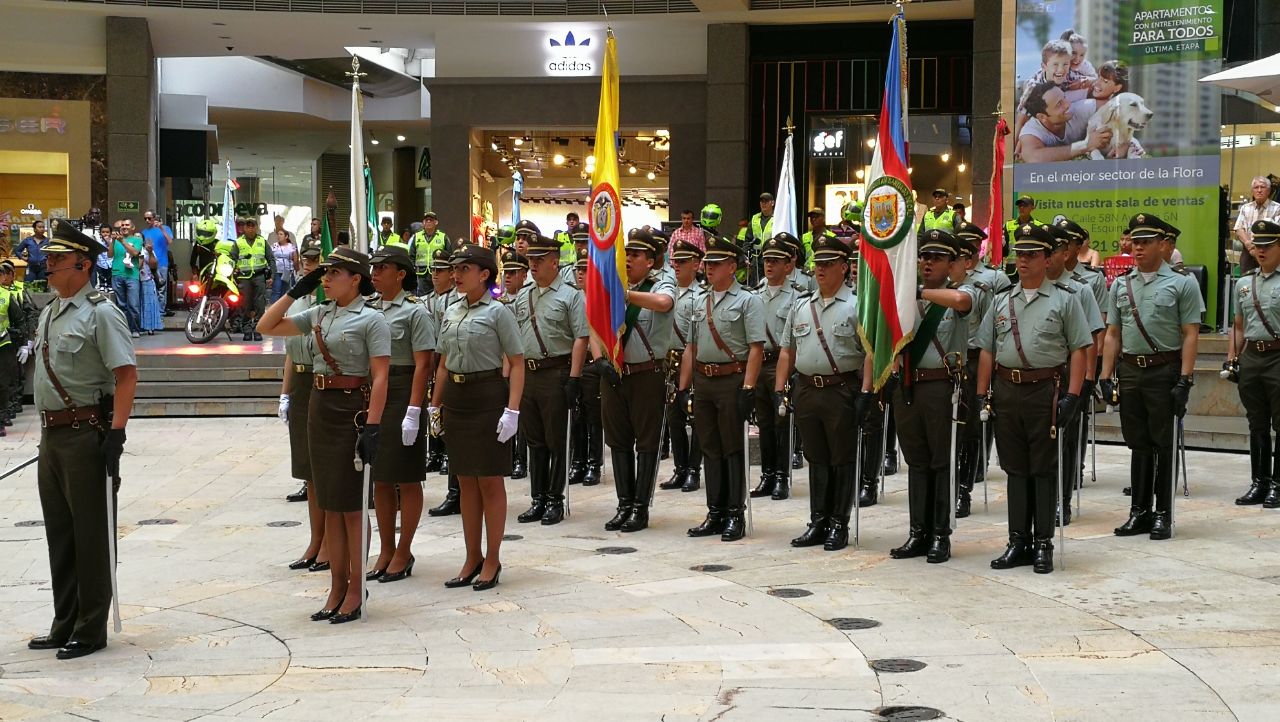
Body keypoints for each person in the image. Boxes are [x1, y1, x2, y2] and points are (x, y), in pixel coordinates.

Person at [257, 247, 390, 624]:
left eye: (334, 274)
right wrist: (297, 290)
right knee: (329, 500)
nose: (326, 279)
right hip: (320, 407)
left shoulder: (371, 320)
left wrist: (375, 425)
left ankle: (355, 586)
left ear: (356, 279)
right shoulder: (320, 313)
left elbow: (380, 376)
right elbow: (266, 326)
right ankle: (335, 585)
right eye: (324, 274)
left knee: (351, 505)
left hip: (353, 409)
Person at [27, 219, 137, 659]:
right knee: (61, 534)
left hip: (84, 432)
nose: (48, 265)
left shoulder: (102, 312)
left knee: (91, 535)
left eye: (57, 259)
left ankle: (90, 628)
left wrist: (116, 435)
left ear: (83, 264)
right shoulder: (53, 309)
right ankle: (64, 620)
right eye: (48, 258)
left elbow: (126, 376)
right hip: (51, 436)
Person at [976, 222, 1092, 574]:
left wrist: (1072, 396)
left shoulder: (1064, 300)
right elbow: (986, 350)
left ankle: (1043, 543)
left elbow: (1080, 350)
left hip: (1046, 390)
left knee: (1043, 470)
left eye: (1032, 254)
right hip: (1008, 390)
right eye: (1020, 254)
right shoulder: (1000, 301)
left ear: (1046, 258)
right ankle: (1018, 542)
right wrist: (982, 395)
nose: (1023, 260)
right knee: (1015, 469)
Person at [1100, 213, 1203, 540]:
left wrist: (1185, 379)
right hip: (1130, 371)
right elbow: (1113, 332)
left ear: (1162, 245)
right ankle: (1139, 512)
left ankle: (1163, 514)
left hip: (1164, 370)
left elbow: (1190, 334)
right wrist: (1105, 375)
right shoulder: (1121, 284)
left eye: (1146, 242)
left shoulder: (1181, 283)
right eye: (1135, 242)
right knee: (1138, 444)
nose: (1138, 248)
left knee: (1164, 443)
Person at [429, 243, 524, 591]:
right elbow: (441, 364)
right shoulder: (452, 310)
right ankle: (472, 556)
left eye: (464, 269)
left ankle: (494, 557)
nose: (456, 274)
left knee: (489, 480)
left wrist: (512, 410)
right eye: (455, 269)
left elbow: (516, 362)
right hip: (457, 397)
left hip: (487, 396)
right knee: (464, 479)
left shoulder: (499, 313)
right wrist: (433, 406)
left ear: (484, 274)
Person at [774, 236, 871, 550]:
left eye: (829, 264)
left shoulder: (857, 305)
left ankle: (838, 524)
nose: (821, 269)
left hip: (841, 389)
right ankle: (818, 521)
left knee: (841, 458)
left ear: (845, 267)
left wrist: (866, 393)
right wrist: (779, 389)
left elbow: (870, 353)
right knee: (816, 457)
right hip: (806, 389)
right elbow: (787, 350)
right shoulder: (802, 305)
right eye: (818, 263)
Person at [888, 230, 975, 563]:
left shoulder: (961, 291)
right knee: (917, 462)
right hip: (909, 385)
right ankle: (918, 532)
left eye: (937, 258)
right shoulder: (903, 296)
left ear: (952, 264)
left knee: (941, 462)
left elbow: (961, 303)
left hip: (942, 386)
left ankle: (941, 534)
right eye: (924, 257)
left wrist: (921, 292)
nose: (927, 262)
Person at [677, 235, 765, 542]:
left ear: (732, 267)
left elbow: (756, 348)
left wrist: (749, 387)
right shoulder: (699, 300)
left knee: (732, 448)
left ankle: (734, 514)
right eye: (708, 264)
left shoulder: (749, 300)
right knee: (710, 448)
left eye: (716, 264)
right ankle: (714, 512)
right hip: (703, 380)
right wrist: (683, 387)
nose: (709, 269)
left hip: (731, 380)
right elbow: (690, 346)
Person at [594, 228, 675, 532]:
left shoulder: (660, 283)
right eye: (626, 253)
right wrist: (599, 358)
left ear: (651, 261)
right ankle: (624, 503)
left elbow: (664, 303)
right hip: (614, 373)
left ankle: (641, 507)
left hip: (645, 375)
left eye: (636, 255)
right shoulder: (611, 283)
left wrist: (624, 295)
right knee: (618, 441)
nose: (628, 259)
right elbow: (593, 322)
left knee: (647, 442)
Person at [511, 221, 589, 526]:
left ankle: (555, 499)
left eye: (538, 261)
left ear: (554, 262)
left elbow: (581, 338)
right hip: (528, 375)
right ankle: (538, 498)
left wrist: (574, 378)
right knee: (535, 440)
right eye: (530, 260)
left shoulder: (570, 296)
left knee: (556, 439)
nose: (532, 265)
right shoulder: (524, 295)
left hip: (555, 371)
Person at [366, 246, 436, 584]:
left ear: (401, 274)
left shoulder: (415, 312)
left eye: (383, 268)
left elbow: (424, 363)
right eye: (374, 267)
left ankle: (404, 549)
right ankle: (385, 547)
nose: (375, 273)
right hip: (377, 391)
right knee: (380, 476)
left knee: (406, 476)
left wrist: (413, 409)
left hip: (403, 388)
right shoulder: (369, 309)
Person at [1046, 220, 1106, 526]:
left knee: (1066, 441)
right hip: (1038, 374)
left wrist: (1088, 380)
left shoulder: (1080, 289)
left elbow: (1094, 337)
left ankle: (1062, 500)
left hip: (1070, 370)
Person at [281, 246, 329, 569]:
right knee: (308, 471)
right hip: (299, 381)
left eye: (317, 263)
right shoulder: (297, 301)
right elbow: (287, 350)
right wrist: (284, 394)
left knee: (324, 470)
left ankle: (329, 544)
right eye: (307, 262)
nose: (309, 267)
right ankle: (315, 540)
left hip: (321, 380)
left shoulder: (329, 306)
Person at [1227, 220, 1280, 509]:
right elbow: (1237, 325)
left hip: (1278, 357)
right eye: (1257, 246)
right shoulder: (1245, 283)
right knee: (1256, 424)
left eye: (1267, 246)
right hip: (1252, 357)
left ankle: (1278, 484)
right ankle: (1259, 482)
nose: (1261, 251)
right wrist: (1232, 357)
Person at [749, 235, 806, 501]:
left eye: (775, 260)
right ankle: (767, 475)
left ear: (788, 265)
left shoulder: (798, 297)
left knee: (782, 423)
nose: (769, 265)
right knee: (764, 424)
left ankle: (782, 477)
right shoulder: (753, 295)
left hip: (782, 365)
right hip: (758, 364)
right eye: (766, 260)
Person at [954, 225, 999, 516]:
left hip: (973, 358)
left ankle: (964, 488)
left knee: (970, 427)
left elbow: (990, 329)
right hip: (944, 363)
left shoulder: (990, 281)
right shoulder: (940, 285)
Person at [660, 239, 705, 493]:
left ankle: (693, 470)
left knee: (695, 417)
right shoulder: (666, 291)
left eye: (683, 262)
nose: (677, 266)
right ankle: (679, 467)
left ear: (696, 265)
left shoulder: (700, 296)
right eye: (675, 261)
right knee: (673, 418)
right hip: (670, 361)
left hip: (693, 360)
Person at [424, 248, 464, 514]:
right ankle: (438, 457)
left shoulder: (457, 301)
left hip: (453, 363)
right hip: (434, 360)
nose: (435, 275)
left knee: (453, 428)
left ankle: (457, 490)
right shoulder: (426, 301)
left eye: (440, 270)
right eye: (433, 270)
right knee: (438, 419)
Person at [1017, 83, 1108, 163]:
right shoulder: (1031, 131)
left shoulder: (1079, 109)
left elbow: (1115, 104)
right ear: (1042, 117)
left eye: (1064, 97)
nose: (1068, 104)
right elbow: (1033, 158)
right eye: (1059, 104)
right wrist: (1085, 145)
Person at [229, 218, 276, 342]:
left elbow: (271, 259)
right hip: (244, 277)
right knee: (245, 304)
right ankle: (247, 330)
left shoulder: (262, 241)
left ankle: (257, 329)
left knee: (259, 304)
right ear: (244, 228)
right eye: (248, 226)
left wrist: (272, 276)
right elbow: (232, 259)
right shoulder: (238, 242)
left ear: (256, 228)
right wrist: (231, 272)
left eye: (253, 226)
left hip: (259, 276)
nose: (250, 228)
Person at [0, 261, 29, 437]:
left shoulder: (6, 295)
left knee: (3, 384)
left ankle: (0, 420)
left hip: (3, 344)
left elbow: (19, 319)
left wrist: (25, 342)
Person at [1233, 176, 1280, 274]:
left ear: (1269, 190)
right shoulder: (1245, 208)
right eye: (1256, 187)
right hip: (1248, 251)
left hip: (1269, 251)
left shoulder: (1277, 208)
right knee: (1246, 283)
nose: (1259, 190)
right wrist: (1249, 245)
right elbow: (1239, 228)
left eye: (1262, 187)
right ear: (1252, 191)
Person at [109, 219, 143, 338]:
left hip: (132, 275)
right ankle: (123, 329)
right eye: (122, 225)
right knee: (121, 305)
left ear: (132, 228)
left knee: (133, 305)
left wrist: (122, 241)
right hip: (117, 274)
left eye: (127, 225)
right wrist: (112, 241)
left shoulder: (137, 240)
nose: (124, 227)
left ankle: (135, 329)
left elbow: (134, 253)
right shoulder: (116, 240)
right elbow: (110, 254)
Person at [141, 210, 174, 316]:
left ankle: (160, 311)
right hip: (148, 263)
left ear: (154, 218)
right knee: (149, 287)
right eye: (145, 218)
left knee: (161, 287)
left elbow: (170, 241)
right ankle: (151, 311)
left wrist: (161, 228)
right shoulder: (144, 232)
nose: (147, 220)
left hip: (162, 262)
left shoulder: (165, 228)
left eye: (149, 218)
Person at [409, 211, 449, 295]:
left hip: (437, 271)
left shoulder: (443, 237)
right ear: (423, 222)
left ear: (436, 222)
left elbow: (449, 255)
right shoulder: (417, 236)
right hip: (421, 273)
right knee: (422, 296)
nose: (428, 222)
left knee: (438, 294)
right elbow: (411, 256)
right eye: (426, 220)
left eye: (431, 220)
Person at [269, 218, 301, 304]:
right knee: (276, 290)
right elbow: (270, 257)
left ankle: (282, 309)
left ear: (286, 236)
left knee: (285, 291)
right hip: (277, 271)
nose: (278, 236)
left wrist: (296, 269)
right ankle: (273, 309)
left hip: (287, 272)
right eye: (278, 234)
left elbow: (295, 259)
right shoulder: (274, 246)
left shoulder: (291, 246)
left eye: (281, 234)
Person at [137, 239, 163, 335]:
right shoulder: (128, 250)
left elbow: (154, 265)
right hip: (133, 279)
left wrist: (150, 252)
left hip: (146, 278)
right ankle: (138, 327)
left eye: (139, 238)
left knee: (149, 304)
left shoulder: (146, 251)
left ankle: (150, 327)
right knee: (136, 304)